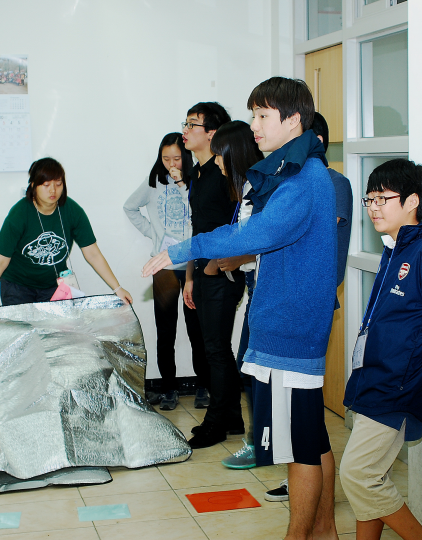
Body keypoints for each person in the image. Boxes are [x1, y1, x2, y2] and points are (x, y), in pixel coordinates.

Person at [143, 77, 338, 540]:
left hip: (290, 333)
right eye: (253, 115)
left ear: (293, 120)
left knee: (300, 451)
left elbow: (256, 233)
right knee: (310, 442)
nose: (254, 125)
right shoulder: (294, 172)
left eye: (263, 115)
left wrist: (183, 250)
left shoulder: (304, 180)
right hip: (284, 327)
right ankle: (324, 532)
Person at [340, 159, 422, 540]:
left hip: (396, 382)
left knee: (358, 474)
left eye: (383, 198)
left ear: (412, 200)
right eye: (369, 199)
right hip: (372, 375)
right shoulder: (394, 247)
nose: (373, 208)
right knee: (371, 475)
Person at [260, 111, 353, 494]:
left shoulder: (331, 183)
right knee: (307, 424)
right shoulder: (292, 181)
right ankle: (317, 505)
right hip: (282, 308)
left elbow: (311, 246)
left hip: (305, 312)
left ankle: (310, 490)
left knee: (306, 423)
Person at [0, 157, 132, 317]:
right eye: (46, 185)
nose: (53, 190)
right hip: (17, 287)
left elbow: (93, 254)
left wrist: (117, 289)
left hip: (54, 286)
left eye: (58, 184)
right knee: (23, 334)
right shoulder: (20, 214)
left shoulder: (72, 211)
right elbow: (0, 262)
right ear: (33, 185)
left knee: (54, 335)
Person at [123, 133, 206, 410]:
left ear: (187, 157)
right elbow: (130, 207)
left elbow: (197, 211)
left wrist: (182, 183)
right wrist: (154, 234)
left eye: (177, 158)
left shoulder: (197, 180)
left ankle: (203, 386)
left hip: (193, 263)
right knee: (166, 331)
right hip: (165, 267)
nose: (171, 164)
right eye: (166, 158)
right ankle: (169, 389)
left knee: (197, 330)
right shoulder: (154, 182)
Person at [180, 102, 246, 447]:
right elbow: (198, 229)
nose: (185, 130)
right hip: (203, 271)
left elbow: (237, 225)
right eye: (185, 123)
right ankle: (232, 416)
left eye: (193, 124)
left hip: (223, 272)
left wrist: (215, 265)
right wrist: (190, 276)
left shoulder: (225, 174)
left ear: (212, 134)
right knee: (214, 349)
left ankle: (216, 423)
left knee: (216, 349)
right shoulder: (198, 174)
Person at [204, 121, 263, 470]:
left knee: (250, 368)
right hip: (255, 287)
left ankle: (262, 443)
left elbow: (271, 242)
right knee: (247, 368)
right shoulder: (245, 191)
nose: (216, 163)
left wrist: (238, 258)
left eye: (219, 156)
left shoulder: (260, 190)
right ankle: (259, 440)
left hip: (265, 291)